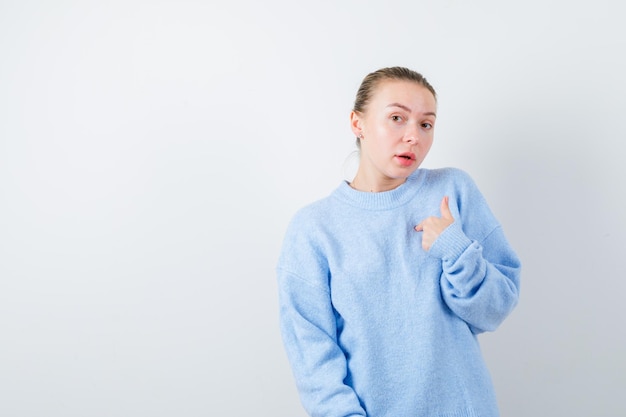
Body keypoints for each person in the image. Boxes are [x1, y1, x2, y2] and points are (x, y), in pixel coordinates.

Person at [276, 66, 521, 417]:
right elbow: (312, 352)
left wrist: (457, 250)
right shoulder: (313, 229)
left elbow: (494, 310)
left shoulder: (452, 191)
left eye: (426, 124)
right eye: (396, 118)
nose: (413, 137)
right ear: (357, 123)